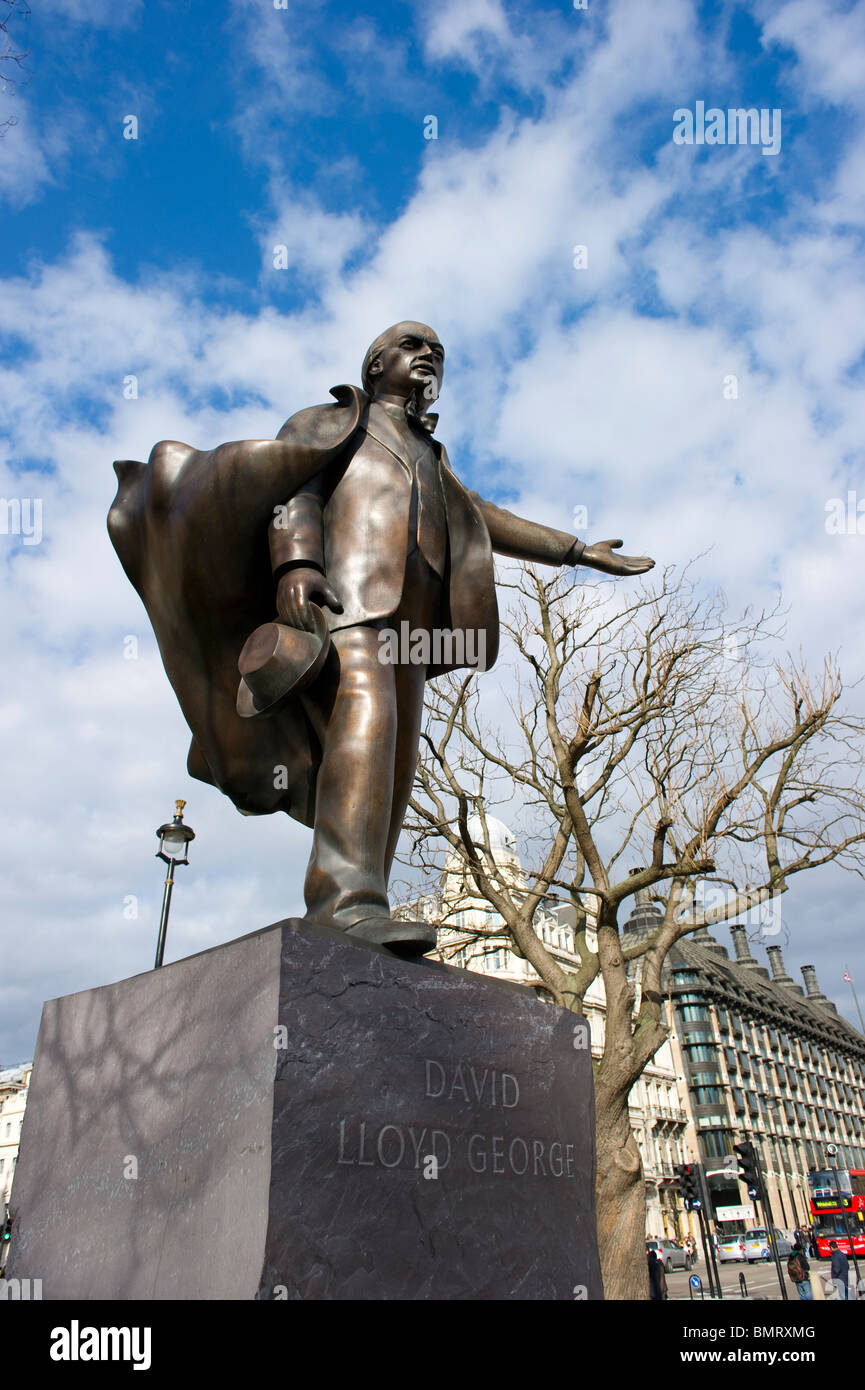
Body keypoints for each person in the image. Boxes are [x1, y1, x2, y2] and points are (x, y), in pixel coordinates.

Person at [109, 322, 654, 952]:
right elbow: (293, 493)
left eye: (439, 353)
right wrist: (297, 565)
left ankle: (365, 900)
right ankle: (344, 901)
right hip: (350, 606)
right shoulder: (337, 423)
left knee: (396, 756)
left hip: (416, 634)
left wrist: (577, 550)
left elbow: (486, 519)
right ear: (375, 365)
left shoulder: (434, 456)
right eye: (414, 346)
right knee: (364, 720)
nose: (429, 357)